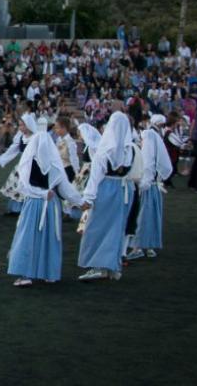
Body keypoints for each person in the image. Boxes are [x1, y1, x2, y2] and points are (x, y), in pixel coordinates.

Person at [7, 131, 88, 287]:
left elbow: (23, 186)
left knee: (28, 237)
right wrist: (79, 201)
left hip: (35, 204)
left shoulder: (29, 162)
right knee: (49, 238)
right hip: (50, 206)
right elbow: (65, 188)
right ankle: (48, 273)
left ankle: (26, 274)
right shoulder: (54, 163)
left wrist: (79, 201)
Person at [77, 112, 143, 282]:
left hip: (105, 190)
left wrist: (87, 198)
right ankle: (111, 266)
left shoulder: (104, 150)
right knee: (115, 230)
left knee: (96, 228)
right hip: (123, 191)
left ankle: (98, 265)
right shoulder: (130, 150)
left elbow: (95, 177)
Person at [126, 115, 173, 260]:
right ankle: (150, 246)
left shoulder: (149, 139)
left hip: (147, 185)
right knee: (152, 217)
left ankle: (137, 247)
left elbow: (147, 165)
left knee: (141, 217)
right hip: (153, 186)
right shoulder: (155, 138)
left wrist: (143, 184)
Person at [0, 113, 38, 216]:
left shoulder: (36, 137)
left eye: (23, 125)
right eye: (19, 125)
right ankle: (16, 210)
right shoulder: (21, 137)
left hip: (33, 167)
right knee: (16, 186)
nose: (21, 127)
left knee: (28, 188)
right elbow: (13, 149)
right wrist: (2, 159)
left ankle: (27, 209)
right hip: (22, 165)